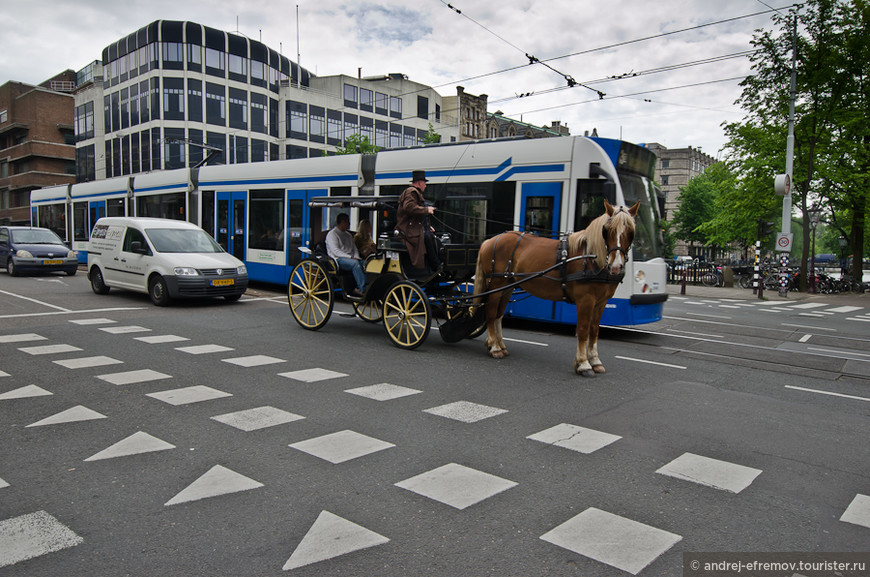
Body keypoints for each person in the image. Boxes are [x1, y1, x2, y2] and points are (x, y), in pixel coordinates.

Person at [396, 170, 440, 271]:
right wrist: (426, 210)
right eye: (424, 183)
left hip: (414, 229)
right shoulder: (411, 192)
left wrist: (427, 226)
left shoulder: (415, 193)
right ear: (419, 183)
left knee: (434, 238)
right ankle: (436, 266)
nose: (425, 186)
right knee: (428, 238)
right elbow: (409, 207)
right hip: (408, 232)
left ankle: (436, 265)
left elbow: (416, 217)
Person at [325, 213, 366, 297]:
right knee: (355, 264)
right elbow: (336, 251)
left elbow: (354, 248)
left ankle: (364, 285)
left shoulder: (348, 235)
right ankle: (363, 288)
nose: (349, 223)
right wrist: (351, 258)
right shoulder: (332, 234)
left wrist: (356, 257)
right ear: (342, 222)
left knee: (366, 263)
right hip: (338, 259)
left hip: (350, 258)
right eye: (348, 221)